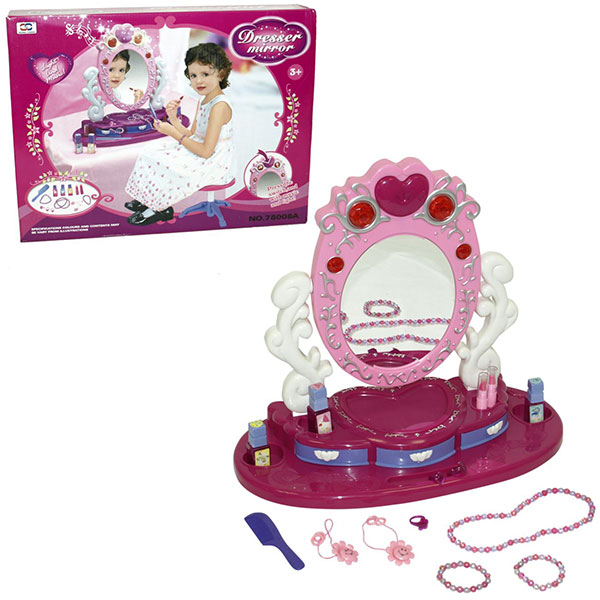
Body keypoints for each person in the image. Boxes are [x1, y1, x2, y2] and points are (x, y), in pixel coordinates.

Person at [124, 43, 234, 225]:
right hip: (200, 149)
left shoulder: (219, 106)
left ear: (221, 73)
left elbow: (206, 151)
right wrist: (173, 120)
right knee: (150, 151)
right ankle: (148, 198)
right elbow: (193, 134)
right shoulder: (204, 99)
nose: (198, 81)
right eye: (193, 75)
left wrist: (173, 133)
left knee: (165, 163)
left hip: (213, 161)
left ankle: (159, 208)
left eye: (205, 74)